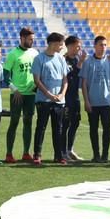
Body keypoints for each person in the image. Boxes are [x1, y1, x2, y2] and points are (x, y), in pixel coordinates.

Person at [32, 32, 68, 166]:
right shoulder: (39, 58)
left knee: (58, 128)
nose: (62, 47)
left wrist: (62, 94)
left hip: (59, 101)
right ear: (53, 43)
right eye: (60, 44)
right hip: (43, 100)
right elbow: (37, 80)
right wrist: (48, 95)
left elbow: (65, 80)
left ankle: (59, 155)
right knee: (41, 127)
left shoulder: (61, 59)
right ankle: (37, 154)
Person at [3, 27, 39, 163]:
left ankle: (26, 153)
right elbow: (5, 75)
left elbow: (38, 72)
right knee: (14, 122)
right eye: (30, 39)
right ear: (22, 38)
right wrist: (14, 89)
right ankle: (9, 154)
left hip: (31, 94)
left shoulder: (35, 53)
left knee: (28, 123)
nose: (32, 41)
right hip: (17, 95)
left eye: (33, 39)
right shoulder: (13, 54)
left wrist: (36, 86)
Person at [81, 35, 110, 163]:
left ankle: (105, 155)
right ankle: (96, 154)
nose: (103, 47)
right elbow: (84, 84)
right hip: (93, 103)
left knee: (107, 129)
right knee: (93, 129)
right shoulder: (88, 62)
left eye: (105, 45)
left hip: (107, 102)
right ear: (95, 46)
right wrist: (86, 101)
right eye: (101, 45)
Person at [62, 35, 87, 161]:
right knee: (65, 124)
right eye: (77, 46)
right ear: (70, 46)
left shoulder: (77, 59)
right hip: (65, 97)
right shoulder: (63, 60)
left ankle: (70, 149)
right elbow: (69, 75)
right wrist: (81, 62)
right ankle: (62, 151)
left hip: (75, 96)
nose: (79, 48)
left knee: (75, 123)